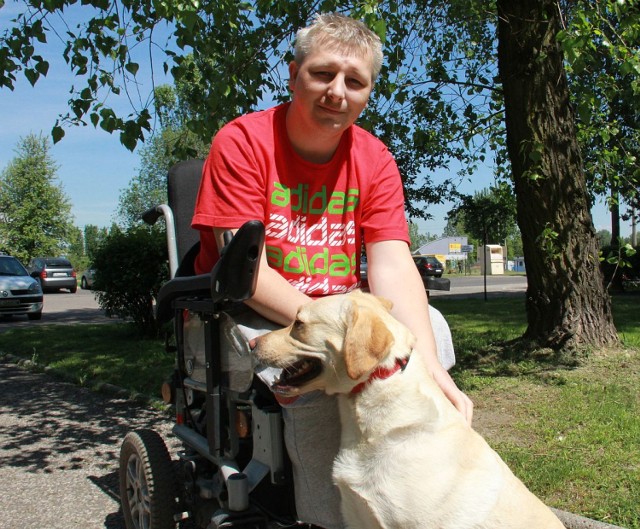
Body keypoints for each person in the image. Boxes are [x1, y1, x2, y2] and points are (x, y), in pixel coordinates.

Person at [192, 12, 473, 528]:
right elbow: (247, 273)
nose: (337, 92)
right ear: (293, 71)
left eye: (355, 81)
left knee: (430, 332)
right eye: (323, 74)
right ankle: (326, 518)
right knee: (318, 366)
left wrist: (431, 369)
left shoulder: (374, 158)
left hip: (336, 307)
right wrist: (331, 329)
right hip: (246, 305)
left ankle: (408, 492)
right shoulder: (242, 142)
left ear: (368, 92)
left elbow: (391, 262)